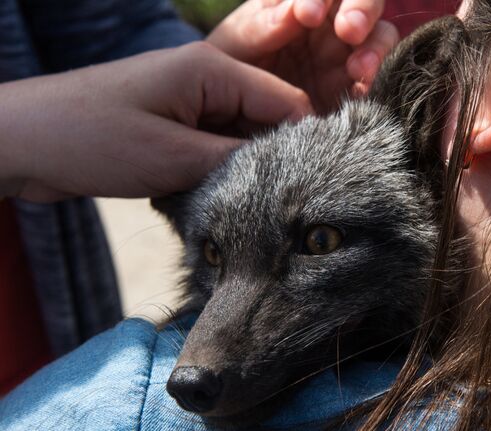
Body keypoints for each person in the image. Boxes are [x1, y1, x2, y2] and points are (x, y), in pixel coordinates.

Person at [3, 0, 491, 429]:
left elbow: (101, 24)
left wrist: (25, 133)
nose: (191, 365)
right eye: (210, 259)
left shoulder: (115, 403)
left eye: (320, 241)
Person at [0, 0, 396, 395]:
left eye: (319, 242)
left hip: (41, 339)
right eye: (213, 256)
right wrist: (22, 133)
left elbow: (111, 29)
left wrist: (228, 75)